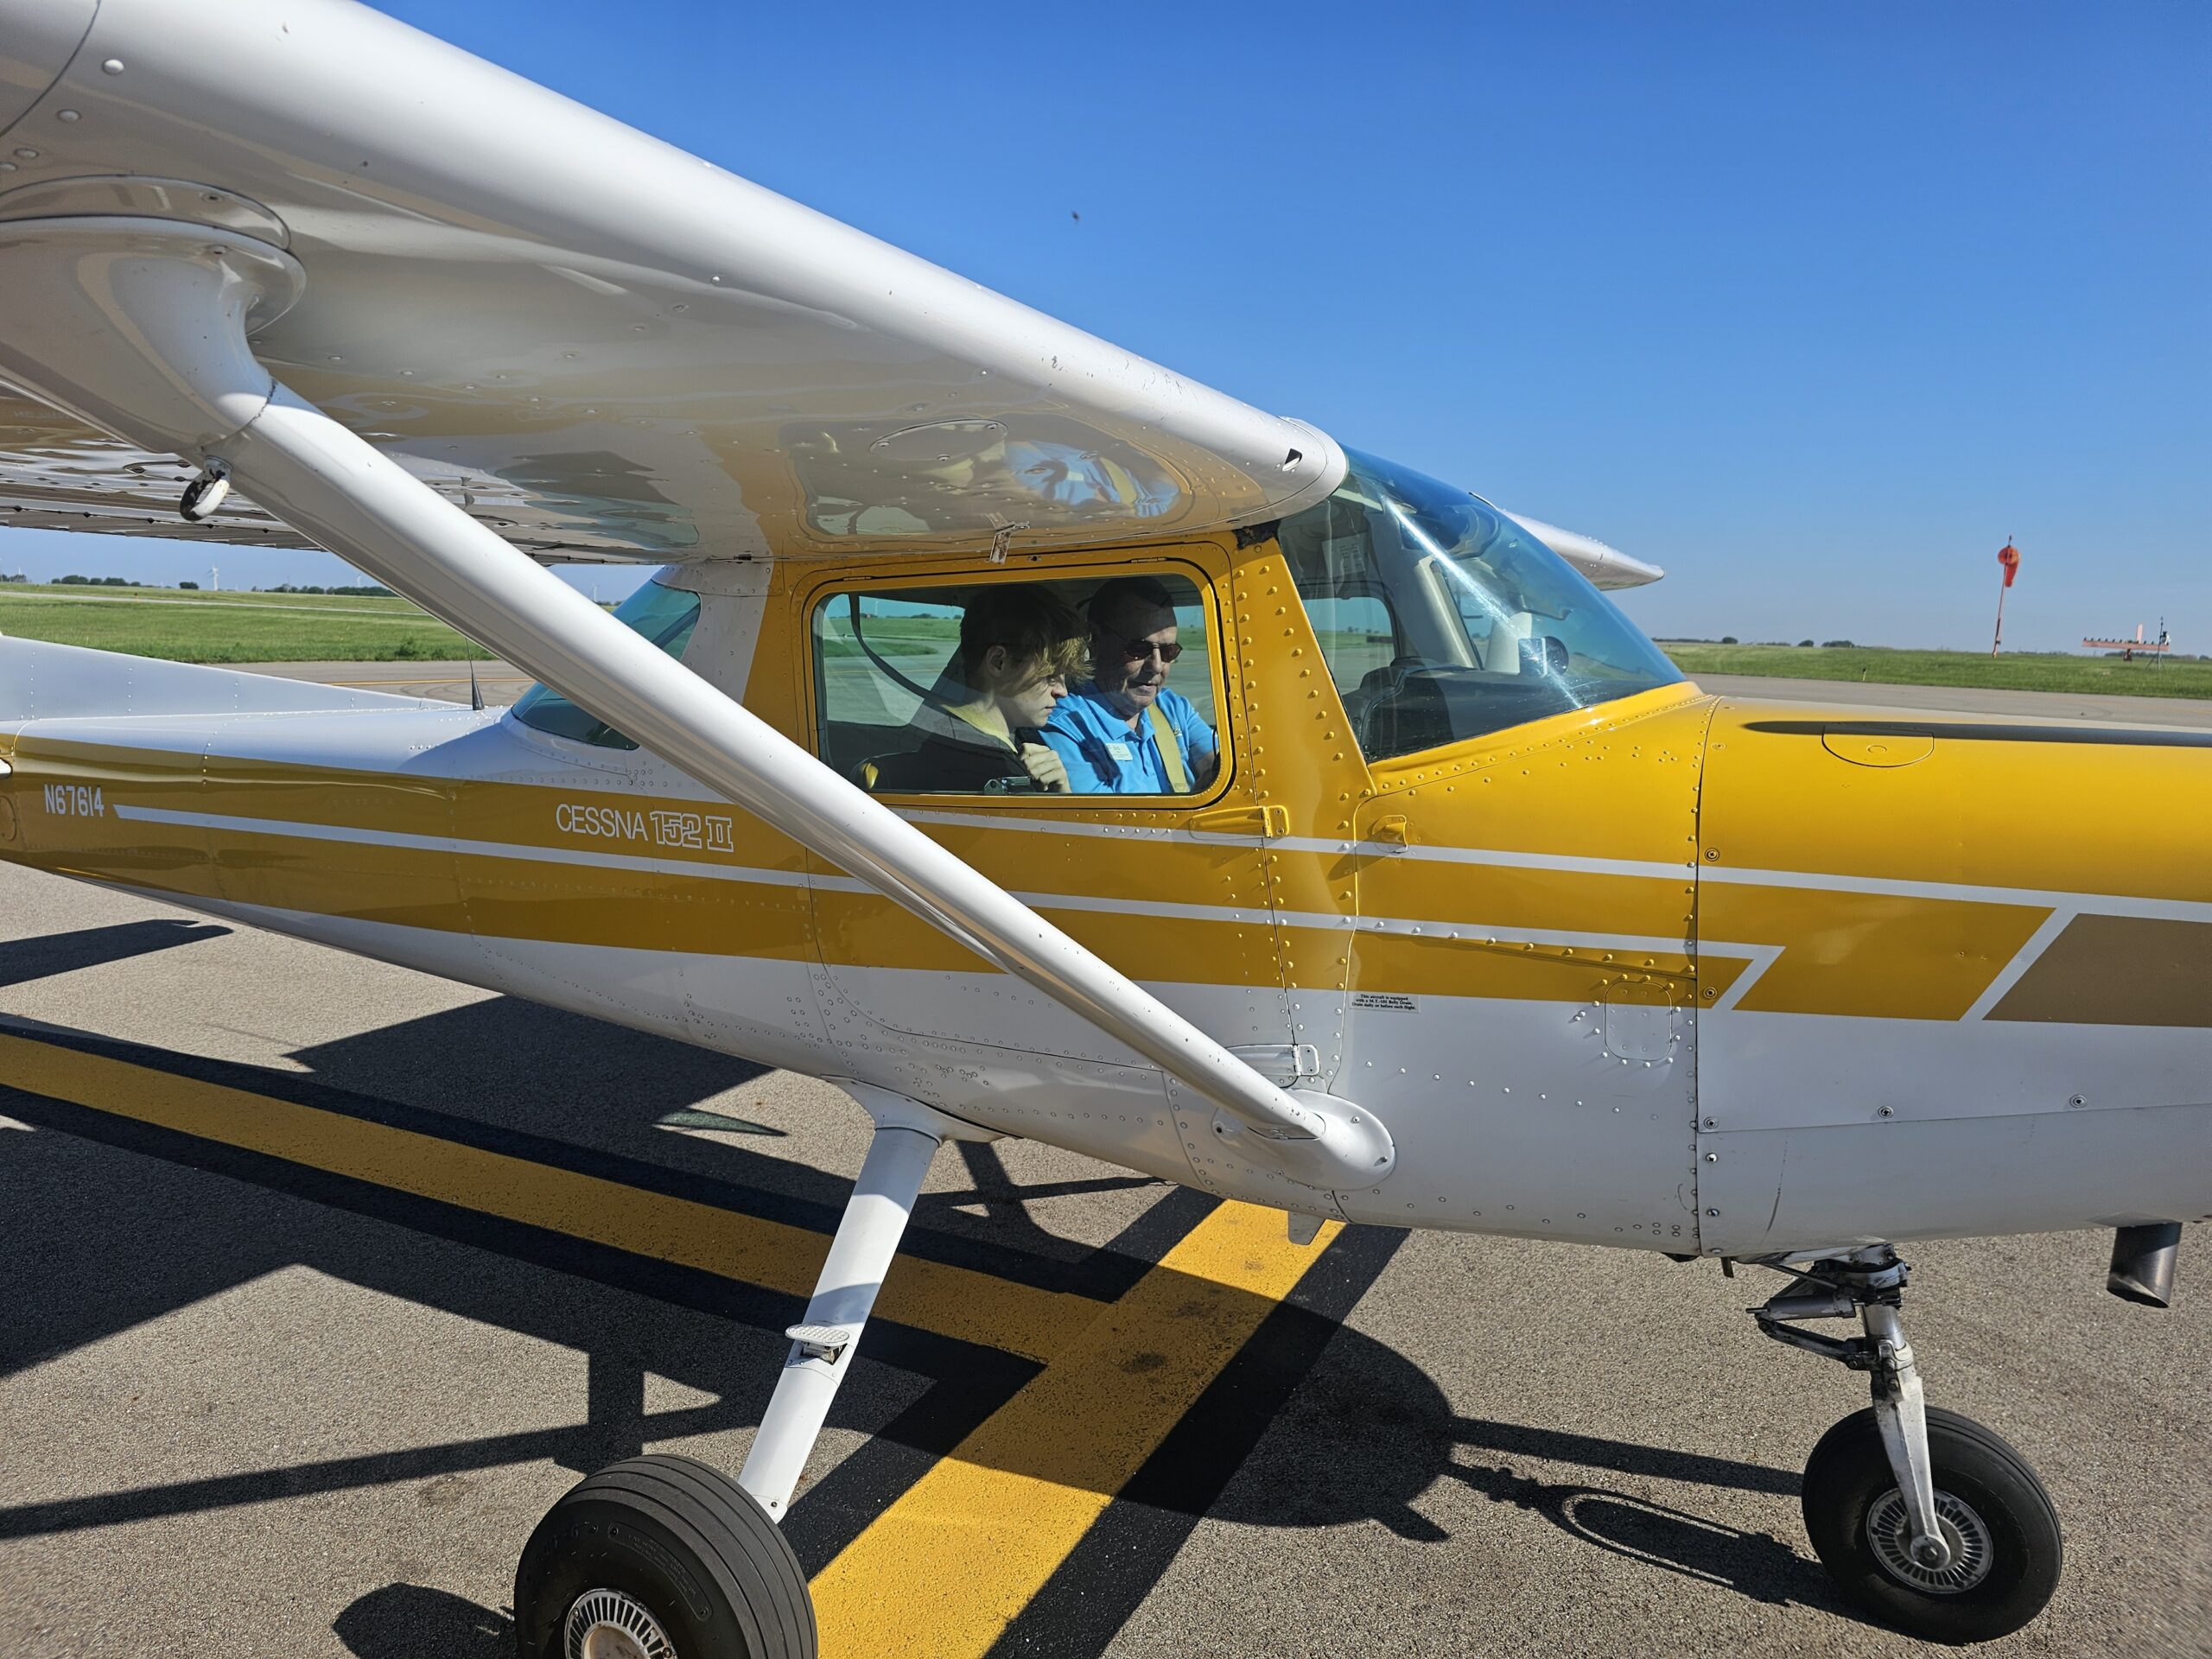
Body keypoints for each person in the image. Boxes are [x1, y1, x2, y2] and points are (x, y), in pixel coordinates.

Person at [860, 586, 1086, 793]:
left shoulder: (949, 742)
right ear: (999, 662)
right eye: (1050, 674)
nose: (1062, 691)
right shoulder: (995, 772)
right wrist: (1061, 793)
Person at [1043, 575, 1218, 794]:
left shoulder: (1173, 708)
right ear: (1095, 640)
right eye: (1139, 649)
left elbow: (1220, 768)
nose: (1156, 666)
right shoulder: (1066, 722)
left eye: (1168, 651)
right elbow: (1099, 815)